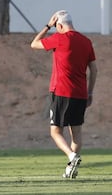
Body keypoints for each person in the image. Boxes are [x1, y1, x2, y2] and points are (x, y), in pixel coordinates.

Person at [31, 10, 97, 179]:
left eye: (56, 26)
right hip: (80, 93)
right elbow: (94, 69)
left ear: (59, 25)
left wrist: (47, 26)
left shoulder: (59, 38)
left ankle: (71, 156)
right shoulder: (86, 41)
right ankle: (71, 169)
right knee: (76, 133)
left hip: (61, 91)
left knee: (55, 131)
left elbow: (34, 44)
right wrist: (90, 92)